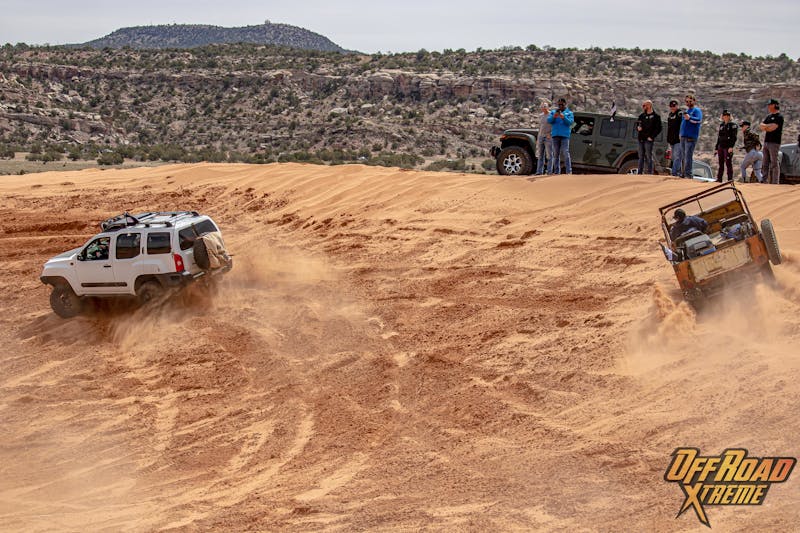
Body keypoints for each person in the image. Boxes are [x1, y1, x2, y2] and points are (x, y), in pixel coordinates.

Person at [759, 98, 784, 184]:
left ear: (775, 105)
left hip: (774, 142)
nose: (769, 107)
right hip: (766, 142)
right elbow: (761, 126)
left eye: (770, 105)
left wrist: (766, 127)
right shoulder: (768, 117)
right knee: (765, 162)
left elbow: (773, 127)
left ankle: (775, 182)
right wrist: (767, 126)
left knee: (774, 163)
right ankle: (764, 180)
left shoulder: (779, 117)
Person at [547, 97, 574, 174]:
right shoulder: (554, 112)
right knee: (556, 153)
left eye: (562, 104)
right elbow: (549, 120)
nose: (560, 106)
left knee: (565, 152)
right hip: (555, 135)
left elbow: (570, 122)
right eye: (559, 105)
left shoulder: (569, 113)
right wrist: (554, 117)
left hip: (565, 135)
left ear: (565, 104)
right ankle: (556, 171)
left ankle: (568, 171)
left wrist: (564, 117)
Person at [680, 94, 703, 179]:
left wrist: (689, 118)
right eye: (687, 101)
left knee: (688, 156)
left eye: (690, 101)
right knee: (683, 155)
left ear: (694, 101)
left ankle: (688, 174)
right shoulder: (687, 111)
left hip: (691, 136)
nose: (688, 103)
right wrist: (680, 133)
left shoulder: (696, 110)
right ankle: (683, 173)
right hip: (683, 136)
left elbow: (699, 119)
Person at [636, 100, 662, 174]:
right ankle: (639, 172)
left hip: (649, 139)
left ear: (649, 105)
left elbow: (659, 128)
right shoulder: (641, 116)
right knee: (640, 157)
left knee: (648, 156)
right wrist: (638, 128)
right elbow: (637, 124)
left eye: (645, 105)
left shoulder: (656, 117)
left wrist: (652, 137)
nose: (643, 107)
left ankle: (650, 173)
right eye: (643, 105)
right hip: (641, 139)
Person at [714, 110, 738, 182]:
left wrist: (731, 147)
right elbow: (719, 137)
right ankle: (719, 179)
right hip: (721, 146)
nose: (726, 117)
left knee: (728, 163)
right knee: (720, 163)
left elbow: (734, 137)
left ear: (730, 116)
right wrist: (716, 148)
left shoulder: (733, 125)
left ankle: (730, 179)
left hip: (727, 147)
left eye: (727, 115)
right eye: (724, 115)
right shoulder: (721, 125)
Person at [535, 100, 553, 175]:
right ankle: (539, 171)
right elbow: (540, 127)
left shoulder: (551, 115)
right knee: (540, 155)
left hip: (548, 137)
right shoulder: (541, 116)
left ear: (548, 107)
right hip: (541, 137)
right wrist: (538, 137)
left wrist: (550, 134)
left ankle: (549, 171)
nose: (544, 108)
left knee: (549, 155)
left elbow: (555, 126)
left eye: (545, 106)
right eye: (542, 107)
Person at [666, 99, 683, 176]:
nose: (672, 107)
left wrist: (681, 134)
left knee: (677, 156)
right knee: (673, 157)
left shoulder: (680, 114)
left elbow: (683, 125)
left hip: (678, 139)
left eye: (674, 106)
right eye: (671, 106)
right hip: (672, 139)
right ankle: (678, 172)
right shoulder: (670, 115)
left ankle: (675, 173)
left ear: (677, 106)